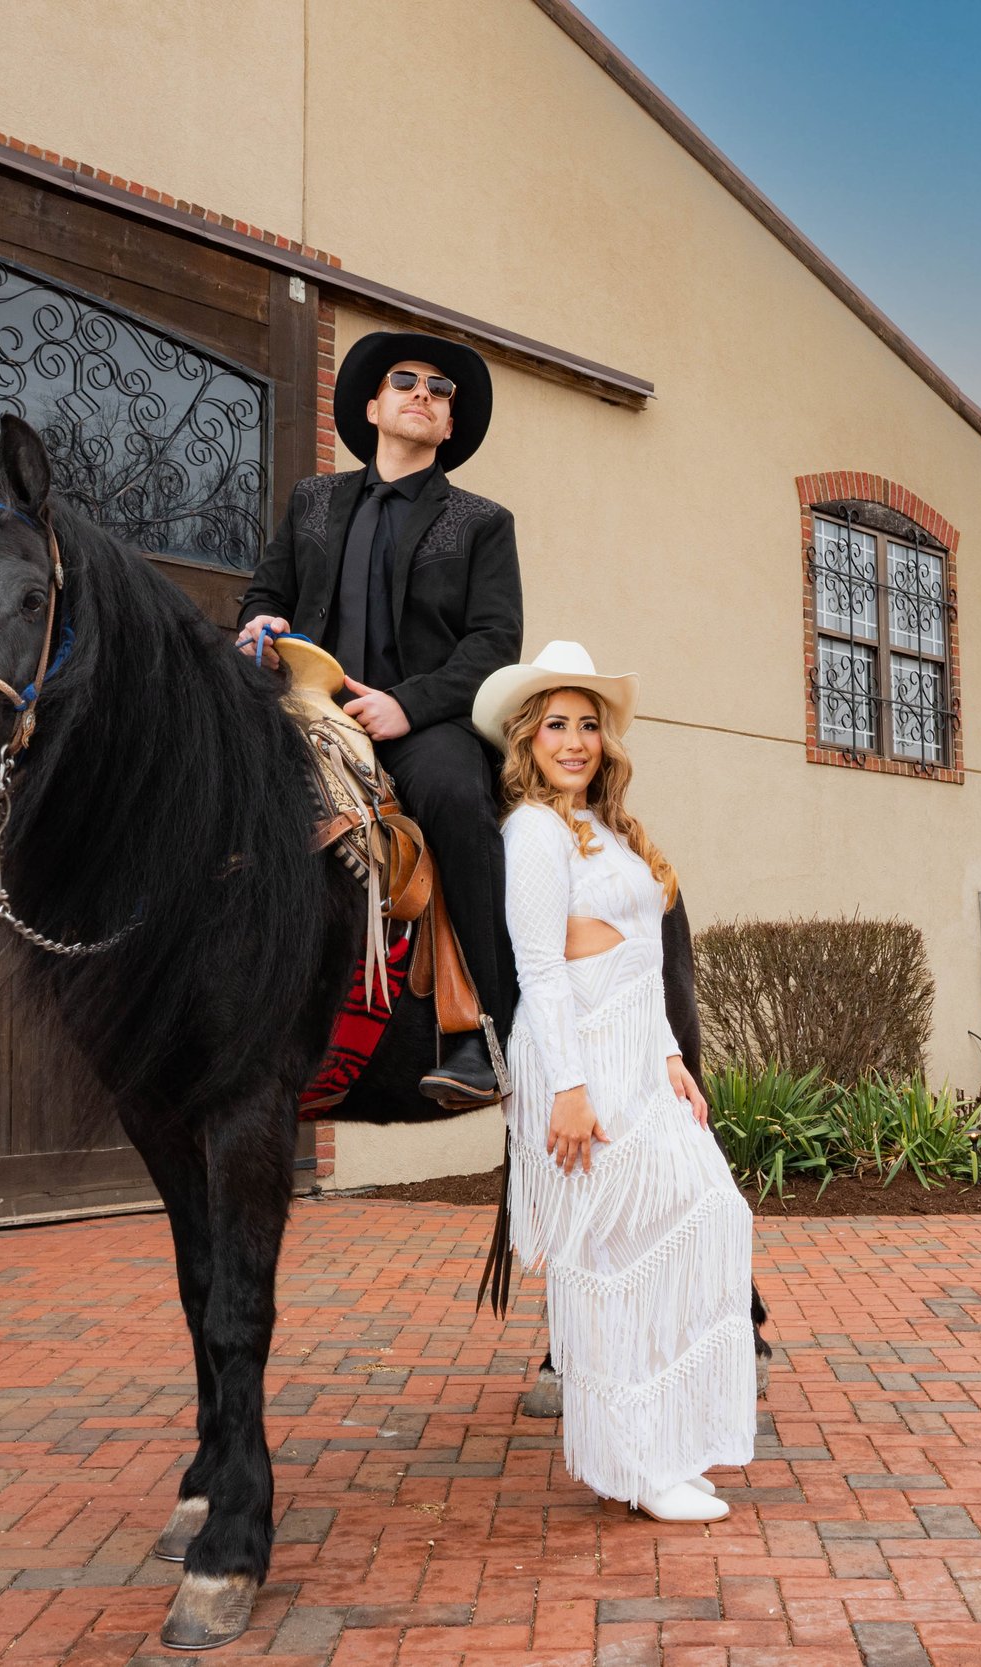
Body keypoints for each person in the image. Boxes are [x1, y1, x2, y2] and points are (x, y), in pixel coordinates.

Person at [472, 641, 757, 1523]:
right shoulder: (532, 829)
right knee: (613, 1261)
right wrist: (565, 1087)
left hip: (638, 1047)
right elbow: (539, 968)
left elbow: (641, 957)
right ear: (528, 736)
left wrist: (671, 1056)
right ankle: (637, 1464)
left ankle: (665, 1446)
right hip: (580, 1052)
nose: (575, 740)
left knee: (713, 1213)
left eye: (589, 724)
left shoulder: (612, 827)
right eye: (557, 723)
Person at [239, 331, 519, 1105]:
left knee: (456, 798)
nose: (423, 392)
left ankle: (486, 1027)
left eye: (440, 388)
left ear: (449, 425)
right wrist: (260, 622)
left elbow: (495, 641)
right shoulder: (313, 501)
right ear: (371, 407)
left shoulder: (482, 521)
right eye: (405, 380)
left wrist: (409, 705)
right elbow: (266, 593)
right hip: (310, 713)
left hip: (424, 724)